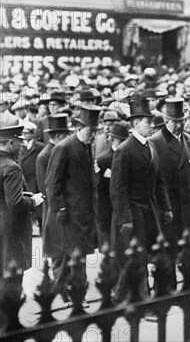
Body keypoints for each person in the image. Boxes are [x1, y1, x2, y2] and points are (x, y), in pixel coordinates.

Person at [110, 96, 173, 303]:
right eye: (148, 121)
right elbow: (118, 188)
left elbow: (160, 181)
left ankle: (120, 295)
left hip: (151, 211)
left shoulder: (151, 147)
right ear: (136, 123)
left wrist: (166, 208)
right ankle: (142, 301)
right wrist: (125, 218)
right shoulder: (124, 150)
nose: (152, 125)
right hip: (134, 213)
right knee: (137, 259)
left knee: (156, 255)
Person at [44, 104, 102, 298]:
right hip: (67, 215)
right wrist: (59, 207)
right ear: (79, 127)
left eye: (95, 131)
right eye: (90, 131)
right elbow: (52, 182)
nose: (93, 135)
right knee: (66, 257)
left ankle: (77, 294)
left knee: (80, 256)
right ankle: (63, 294)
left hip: (83, 214)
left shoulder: (87, 147)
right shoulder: (64, 148)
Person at [149, 98, 190, 289]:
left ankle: (186, 284)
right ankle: (166, 289)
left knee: (186, 248)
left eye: (182, 121)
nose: (179, 125)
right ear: (166, 121)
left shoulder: (187, 139)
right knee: (167, 250)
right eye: (175, 121)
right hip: (167, 206)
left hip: (186, 205)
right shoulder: (156, 142)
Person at [0, 124, 44, 284]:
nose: (23, 145)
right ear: (11, 143)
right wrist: (33, 201)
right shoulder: (12, 168)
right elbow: (15, 202)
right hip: (11, 231)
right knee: (11, 280)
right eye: (20, 141)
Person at [94, 121, 129, 249]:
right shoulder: (102, 160)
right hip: (108, 212)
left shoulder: (129, 156)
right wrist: (102, 217)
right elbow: (99, 192)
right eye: (120, 141)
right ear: (111, 139)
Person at [35, 114, 71, 234]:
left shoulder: (58, 151)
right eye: (66, 135)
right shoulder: (44, 156)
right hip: (53, 207)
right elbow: (44, 187)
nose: (68, 137)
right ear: (58, 136)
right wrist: (59, 205)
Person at [19, 122, 44, 232]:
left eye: (27, 133)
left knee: (37, 204)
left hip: (34, 178)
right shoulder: (21, 146)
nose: (25, 136)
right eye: (23, 133)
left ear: (33, 134)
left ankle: (38, 226)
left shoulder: (39, 146)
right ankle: (31, 226)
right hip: (24, 178)